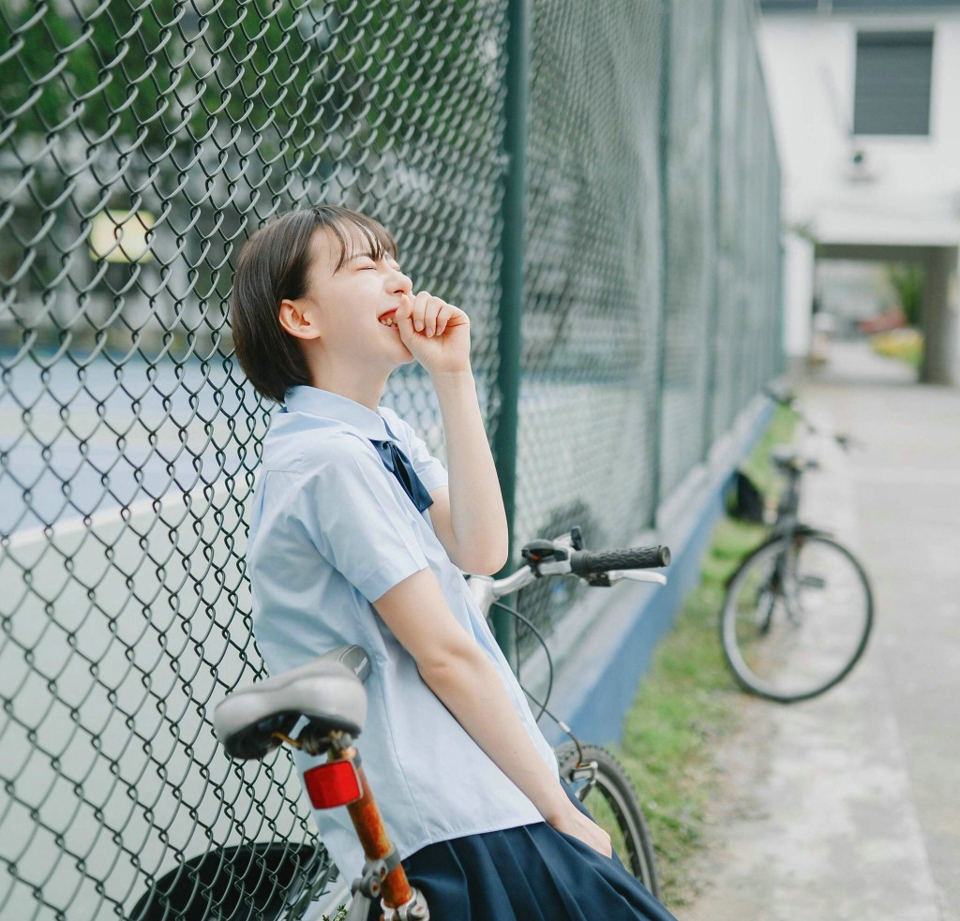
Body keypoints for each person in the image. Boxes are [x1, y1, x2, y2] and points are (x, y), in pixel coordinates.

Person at [230, 204, 678, 921]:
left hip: (472, 798)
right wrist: (559, 807)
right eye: (365, 266)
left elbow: (480, 548)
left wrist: (454, 374)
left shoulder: (381, 434)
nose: (398, 279)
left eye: (394, 259)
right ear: (301, 318)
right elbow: (445, 655)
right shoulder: (326, 459)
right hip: (446, 819)